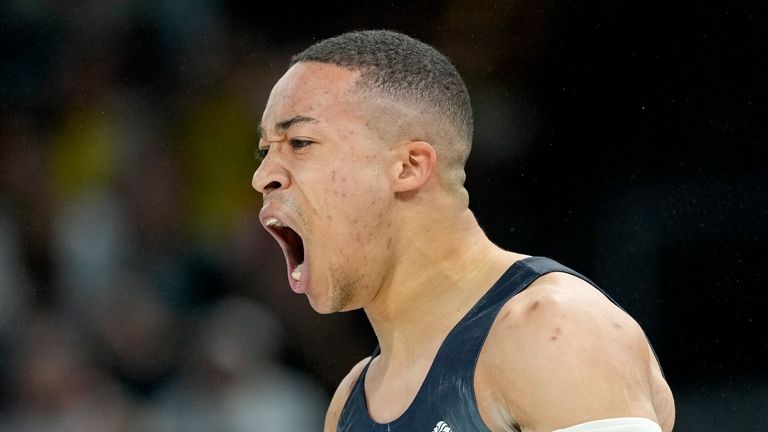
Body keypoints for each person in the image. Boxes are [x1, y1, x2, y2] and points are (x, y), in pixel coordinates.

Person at [251, 30, 675, 432]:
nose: (262, 176)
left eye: (300, 143)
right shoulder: (350, 402)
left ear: (409, 167)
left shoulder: (549, 329)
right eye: (265, 150)